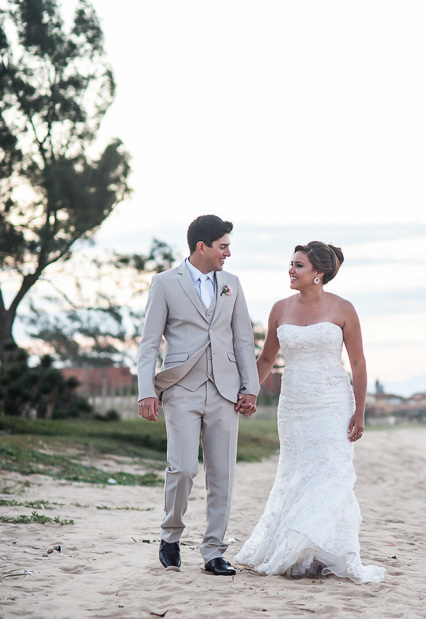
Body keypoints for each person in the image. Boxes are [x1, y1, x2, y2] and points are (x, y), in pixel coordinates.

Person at [234, 242, 384, 583]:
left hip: (333, 402)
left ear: (319, 273)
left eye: (298, 265)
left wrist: (359, 412)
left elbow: (358, 363)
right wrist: (249, 392)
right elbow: (267, 360)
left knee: (332, 474)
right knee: (297, 475)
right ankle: (297, 550)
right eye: (291, 264)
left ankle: (323, 550)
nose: (291, 270)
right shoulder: (279, 309)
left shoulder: (343, 309)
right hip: (294, 405)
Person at [137, 215, 260, 576]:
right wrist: (147, 391)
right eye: (223, 246)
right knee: (184, 468)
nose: (228, 253)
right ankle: (170, 537)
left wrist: (249, 387)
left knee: (222, 475)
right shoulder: (164, 283)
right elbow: (149, 343)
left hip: (225, 390)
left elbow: (243, 339)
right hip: (181, 389)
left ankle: (213, 552)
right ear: (201, 247)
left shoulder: (232, 284)